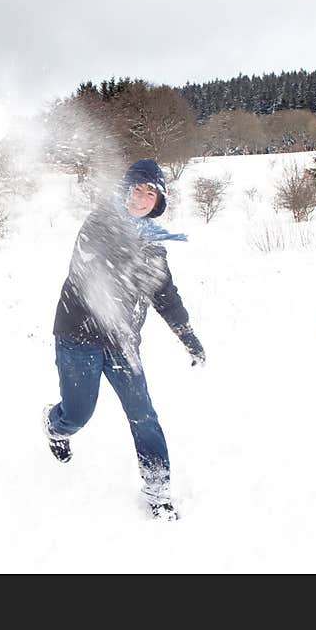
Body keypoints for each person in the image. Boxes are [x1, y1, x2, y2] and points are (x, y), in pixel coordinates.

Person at [43, 158, 206, 521]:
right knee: (78, 414)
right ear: (125, 189)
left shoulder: (153, 244)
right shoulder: (99, 221)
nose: (143, 197)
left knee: (143, 416)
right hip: (78, 337)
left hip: (122, 343)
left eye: (152, 193)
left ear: (157, 202)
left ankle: (158, 491)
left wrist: (187, 333)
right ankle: (55, 427)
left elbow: (165, 294)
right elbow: (90, 267)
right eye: (138, 188)